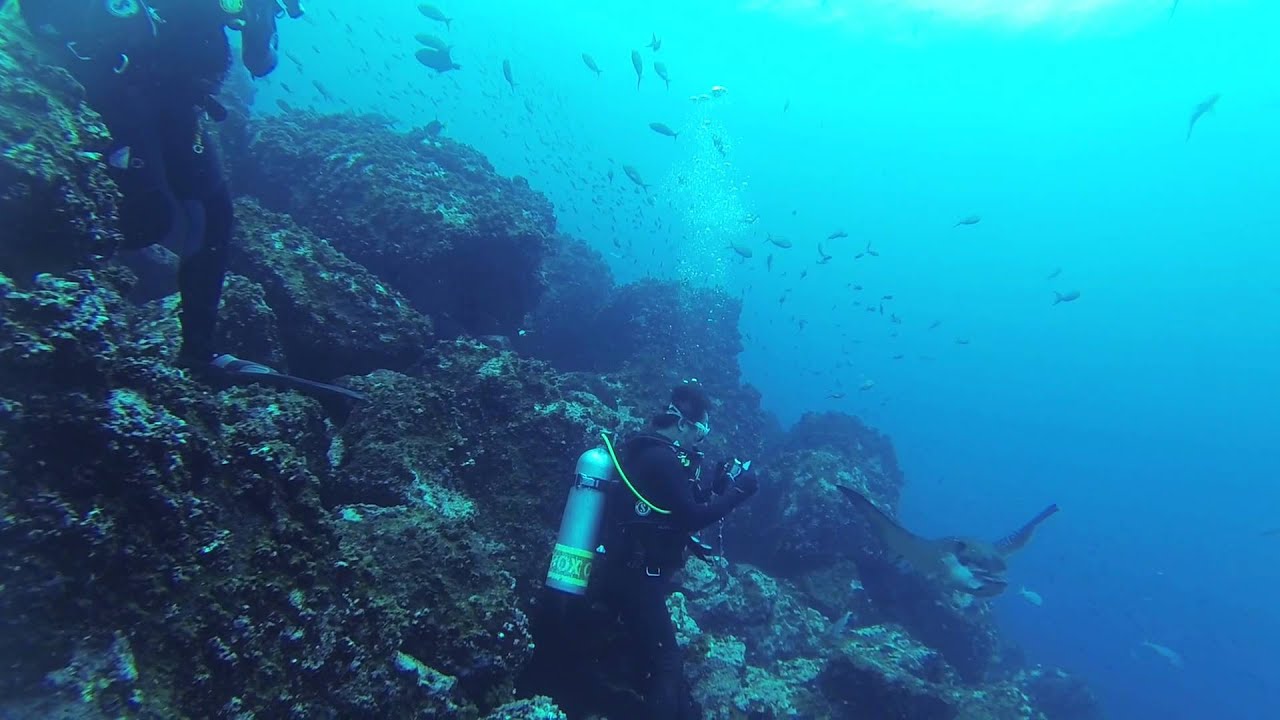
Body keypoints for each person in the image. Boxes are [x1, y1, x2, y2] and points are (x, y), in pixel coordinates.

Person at [18, 0, 297, 371]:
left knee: (214, 213)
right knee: (145, 217)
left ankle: (198, 353)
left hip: (176, 99)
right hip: (118, 82)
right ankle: (31, 298)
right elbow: (258, 59)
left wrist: (261, 15)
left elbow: (258, 61)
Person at [593, 380, 758, 719]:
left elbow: (674, 509)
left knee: (642, 657)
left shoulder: (649, 453)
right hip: (637, 576)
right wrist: (738, 493)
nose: (701, 438)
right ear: (682, 423)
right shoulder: (663, 458)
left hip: (624, 570)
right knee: (668, 662)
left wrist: (717, 487)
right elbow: (693, 517)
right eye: (700, 429)